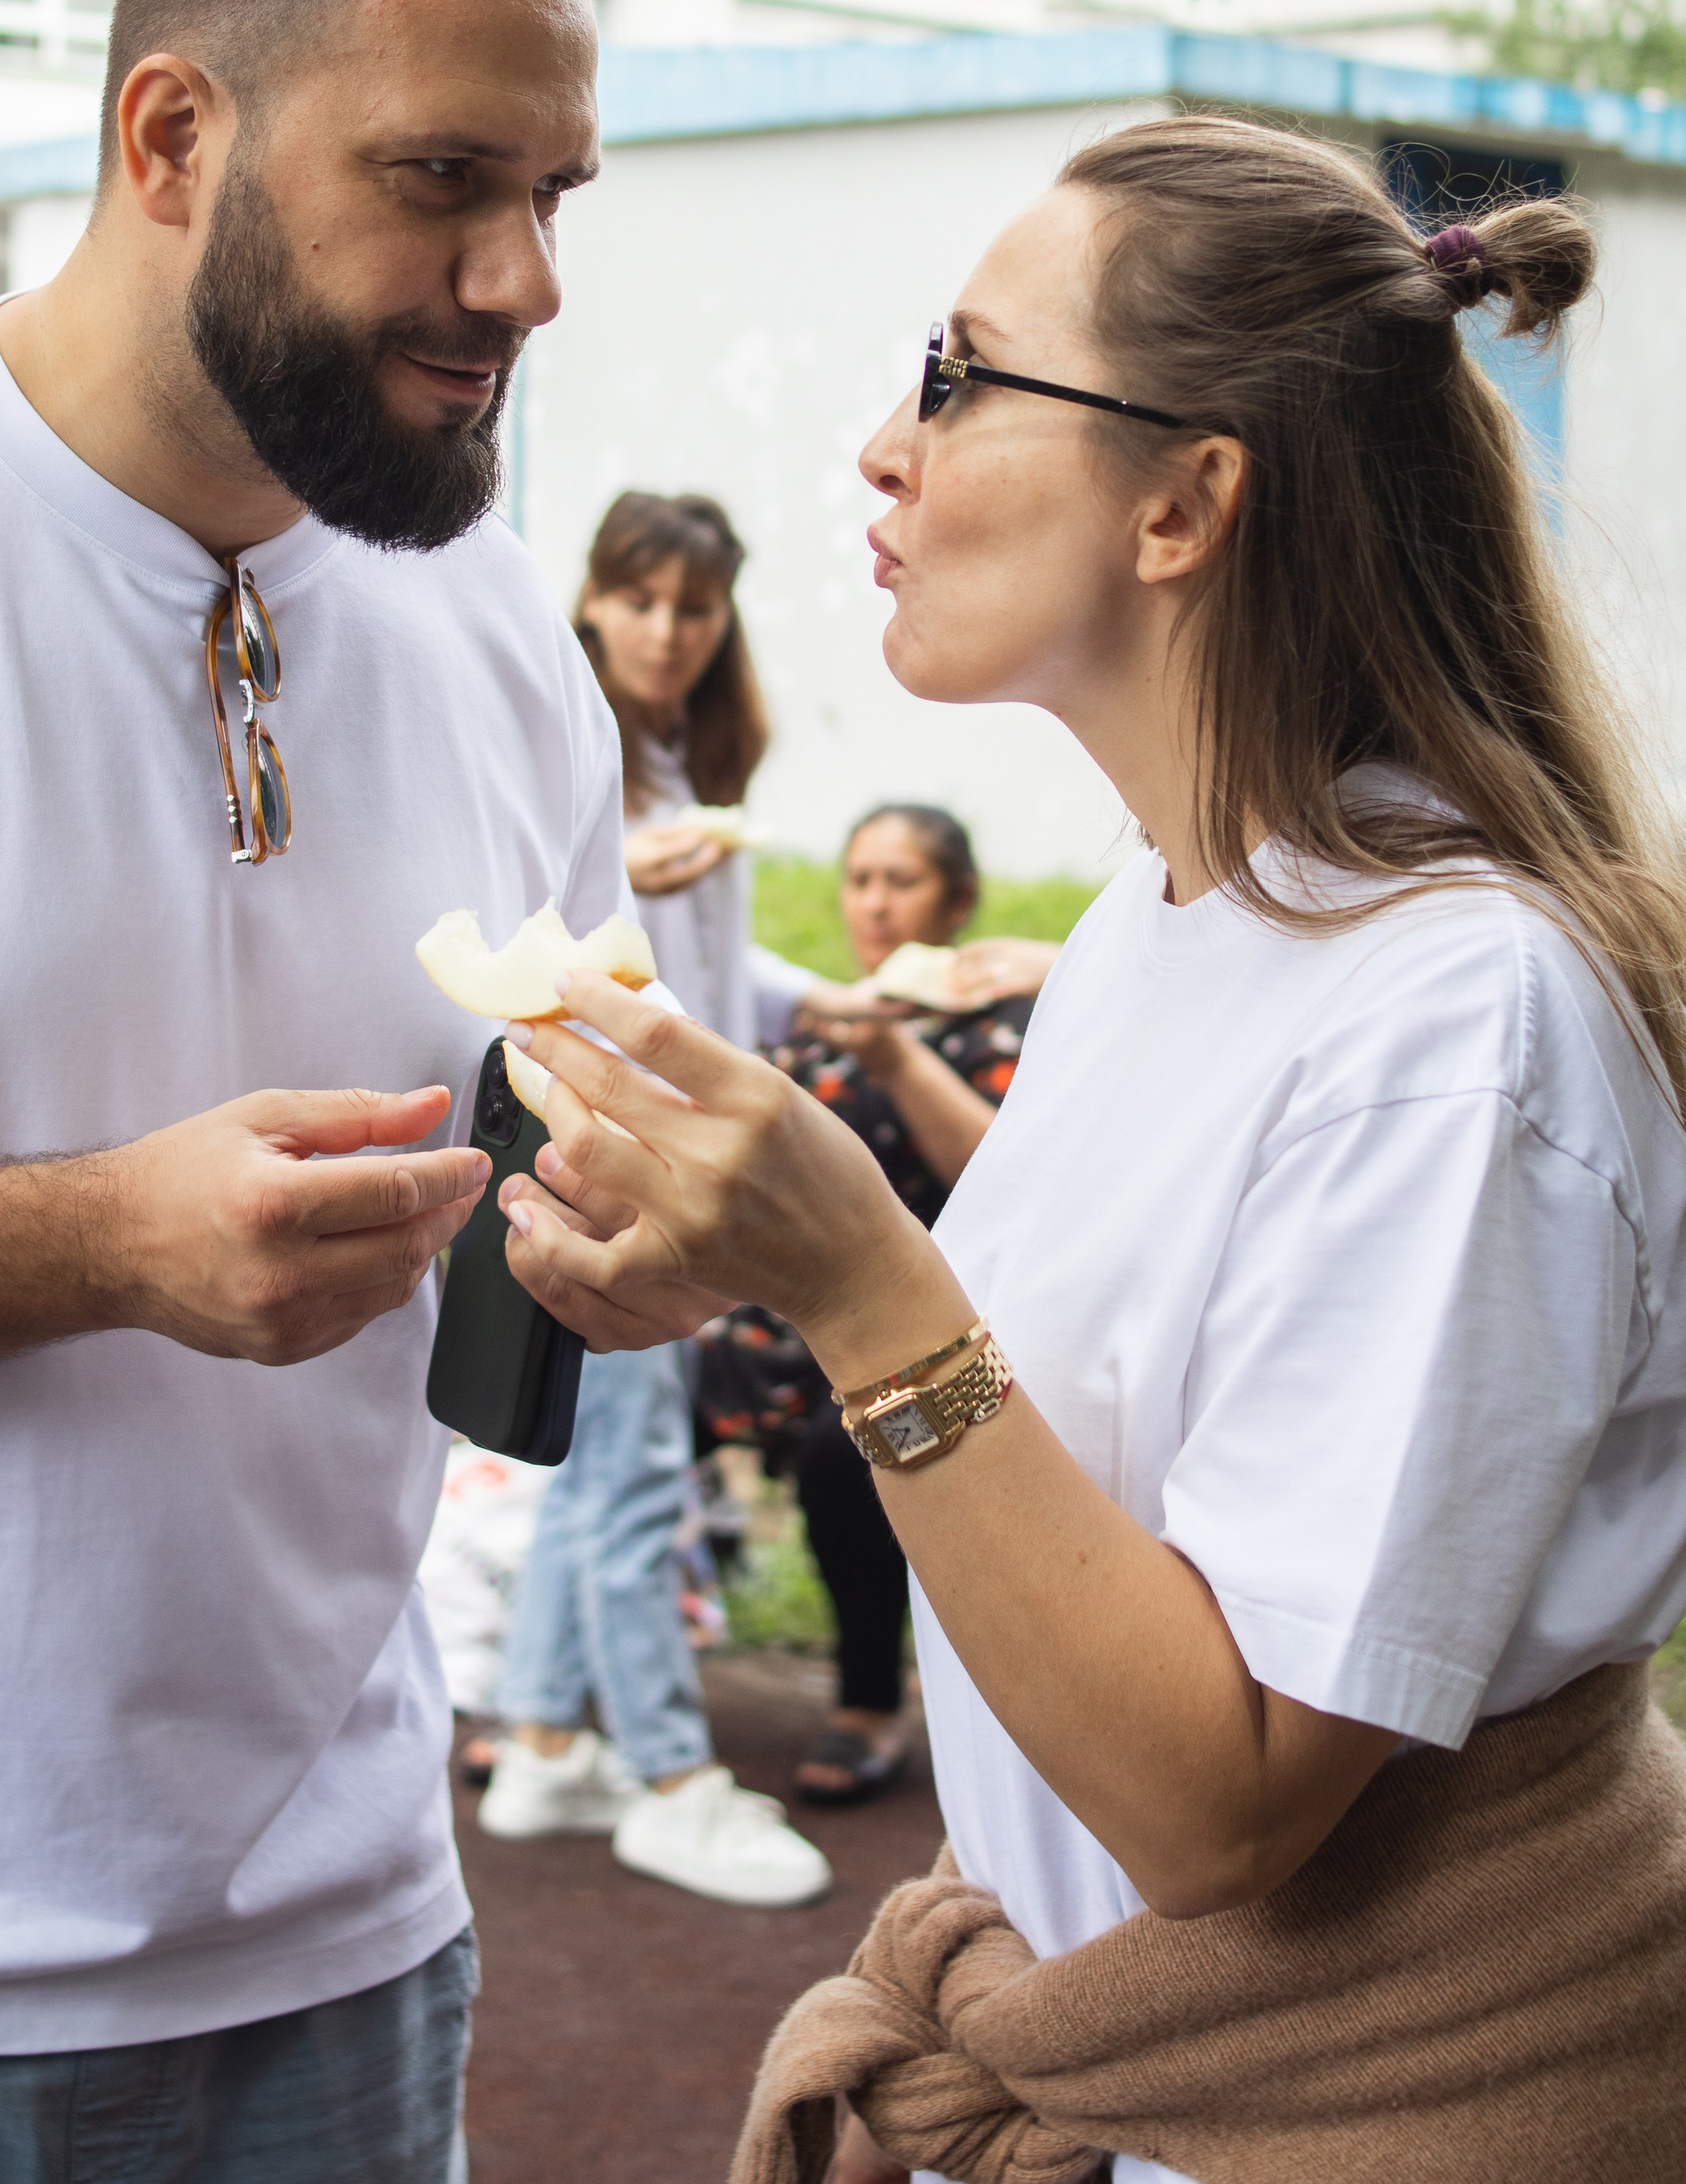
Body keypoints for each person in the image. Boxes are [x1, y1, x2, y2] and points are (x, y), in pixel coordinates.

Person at [500, 120, 1686, 2182]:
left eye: (956, 376)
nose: (884, 449)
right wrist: (754, 1258)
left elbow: (1218, 1798)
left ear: (1184, 504)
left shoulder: (1451, 1024)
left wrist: (861, 1281)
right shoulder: (1167, 914)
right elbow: (1078, 1460)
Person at [0, 0, 631, 2180]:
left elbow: (565, 1179)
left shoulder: (499, 626)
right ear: (173, 136)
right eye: (441, 179)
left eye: (552, 195)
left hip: (349, 1954)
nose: (521, 277)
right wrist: (98, 1238)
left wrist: (635, 1228)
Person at [479, 492, 831, 1908]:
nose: (668, 632)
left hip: (665, 1138)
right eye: (641, 600)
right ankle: (672, 1778)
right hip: (612, 1150)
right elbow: (546, 957)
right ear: (593, 599)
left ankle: (544, 1742)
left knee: (607, 1458)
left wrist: (834, 1003)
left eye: (695, 607)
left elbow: (712, 978)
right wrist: (634, 872)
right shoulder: (570, 746)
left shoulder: (689, 764)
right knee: (631, 1471)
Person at [772, 805, 1042, 1806]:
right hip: (784, 1333)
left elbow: (1002, 1181)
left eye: (903, 881)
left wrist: (896, 1058)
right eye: (860, 881)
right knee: (629, 1405)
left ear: (957, 901)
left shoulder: (1009, 1029)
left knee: (837, 1451)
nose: (876, 905)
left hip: (944, 1336)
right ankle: (577, 1703)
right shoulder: (816, 1027)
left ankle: (867, 1703)